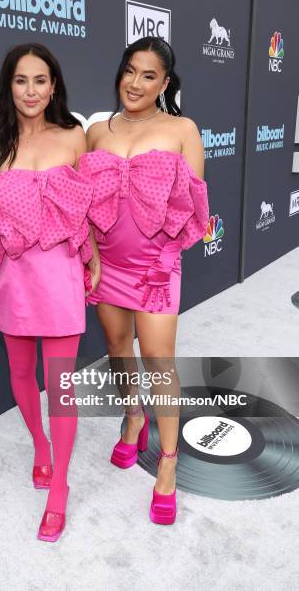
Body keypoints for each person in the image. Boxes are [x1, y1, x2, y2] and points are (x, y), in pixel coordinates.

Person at [0, 43, 100, 542]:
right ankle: (39, 444)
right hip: (12, 279)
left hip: (60, 278)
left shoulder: (74, 138)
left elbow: (86, 212)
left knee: (59, 387)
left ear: (54, 85)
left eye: (40, 80)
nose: (31, 91)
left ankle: (59, 489)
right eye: (21, 81)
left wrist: (94, 260)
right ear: (7, 86)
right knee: (20, 374)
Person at [79, 36, 209, 525]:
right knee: (118, 350)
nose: (135, 83)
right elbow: (84, 206)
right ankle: (133, 415)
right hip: (105, 266)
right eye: (129, 71)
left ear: (165, 82)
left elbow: (194, 208)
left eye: (148, 75)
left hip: (157, 267)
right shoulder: (96, 131)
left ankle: (170, 462)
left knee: (158, 361)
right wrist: (89, 256)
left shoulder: (182, 129)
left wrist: (166, 257)